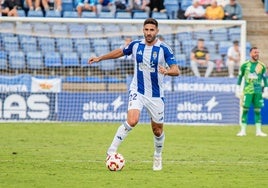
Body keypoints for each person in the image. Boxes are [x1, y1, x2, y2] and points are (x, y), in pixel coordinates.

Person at [88, 18, 180, 171]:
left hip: (156, 95)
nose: (148, 32)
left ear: (156, 31)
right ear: (143, 30)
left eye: (151, 30)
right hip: (137, 89)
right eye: (146, 29)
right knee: (132, 120)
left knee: (157, 130)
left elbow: (176, 70)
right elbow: (120, 52)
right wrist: (100, 58)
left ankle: (157, 156)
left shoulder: (164, 49)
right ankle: (111, 151)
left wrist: (167, 71)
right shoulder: (136, 45)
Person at [235, 47, 268, 137]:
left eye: (257, 52)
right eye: (255, 52)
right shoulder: (244, 65)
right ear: (250, 54)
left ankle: (258, 131)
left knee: (257, 111)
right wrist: (237, 89)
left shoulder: (262, 66)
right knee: (245, 110)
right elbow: (240, 77)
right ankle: (242, 131)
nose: (257, 54)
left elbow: (265, 79)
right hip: (248, 91)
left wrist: (266, 90)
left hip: (258, 92)